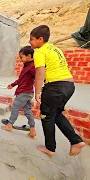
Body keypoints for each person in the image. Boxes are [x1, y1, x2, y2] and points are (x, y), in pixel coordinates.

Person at [29, 25, 85, 156]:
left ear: (40, 39)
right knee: (57, 113)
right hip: (69, 86)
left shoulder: (40, 52)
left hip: (55, 87)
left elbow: (40, 73)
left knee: (46, 116)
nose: (29, 42)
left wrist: (37, 92)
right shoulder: (55, 49)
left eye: (31, 39)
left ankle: (50, 148)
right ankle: (76, 141)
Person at [1, 46, 36, 138]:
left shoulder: (32, 66)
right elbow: (21, 79)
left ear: (29, 56)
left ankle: (10, 125)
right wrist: (13, 84)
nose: (20, 59)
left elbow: (38, 75)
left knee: (15, 107)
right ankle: (32, 130)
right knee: (28, 110)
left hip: (24, 92)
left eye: (21, 57)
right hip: (28, 92)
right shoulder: (27, 66)